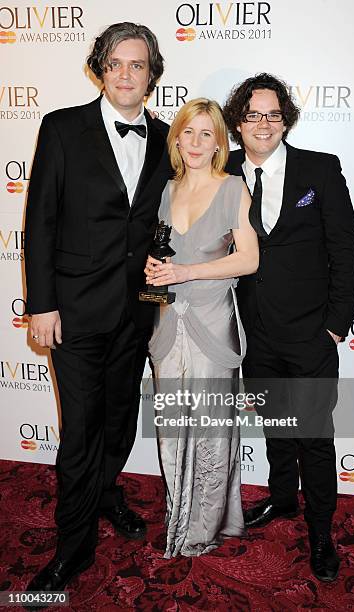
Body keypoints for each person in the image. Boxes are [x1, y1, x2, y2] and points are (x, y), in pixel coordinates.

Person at [24, 22, 171, 594]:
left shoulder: (166, 139)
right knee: (81, 431)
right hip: (75, 312)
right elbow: (41, 222)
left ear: (152, 74)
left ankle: (107, 493)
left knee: (119, 423)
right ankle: (73, 547)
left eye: (137, 65)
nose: (126, 74)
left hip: (138, 312)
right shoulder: (62, 128)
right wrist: (42, 304)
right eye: (115, 63)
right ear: (99, 69)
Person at [223, 73, 354, 581]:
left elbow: (345, 250)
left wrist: (335, 326)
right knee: (277, 428)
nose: (264, 124)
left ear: (286, 120)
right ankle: (282, 500)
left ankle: (322, 533)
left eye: (273, 114)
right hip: (255, 333)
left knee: (315, 438)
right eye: (254, 114)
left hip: (310, 335)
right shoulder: (224, 171)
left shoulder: (320, 170)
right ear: (239, 121)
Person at [145, 98, 259, 557]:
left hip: (214, 323)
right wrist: (157, 269)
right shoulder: (166, 190)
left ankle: (203, 527)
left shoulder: (234, 189)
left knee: (211, 429)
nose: (195, 142)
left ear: (218, 144)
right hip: (169, 321)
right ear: (176, 138)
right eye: (187, 132)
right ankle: (178, 513)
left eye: (205, 134)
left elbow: (249, 259)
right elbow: (162, 254)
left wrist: (186, 272)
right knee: (172, 428)